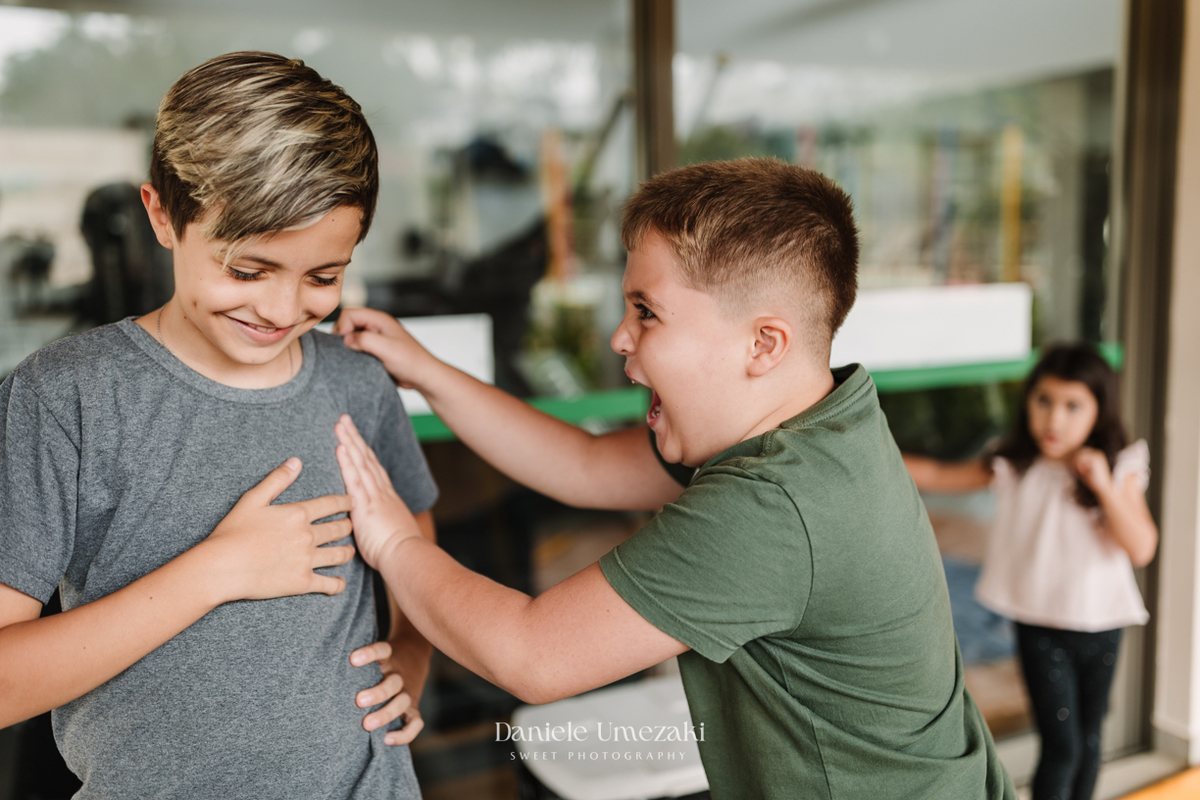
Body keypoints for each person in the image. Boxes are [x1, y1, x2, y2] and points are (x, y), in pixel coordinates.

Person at [331, 158, 1016, 799]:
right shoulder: (817, 421)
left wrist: (395, 545)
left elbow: (530, 655)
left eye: (647, 311)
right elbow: (583, 465)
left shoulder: (773, 506)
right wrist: (424, 370)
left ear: (763, 344)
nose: (620, 338)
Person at [0, 52, 438, 799]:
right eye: (248, 270)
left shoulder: (356, 385)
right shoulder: (63, 398)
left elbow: (421, 554)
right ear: (162, 216)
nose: (281, 309)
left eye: (323, 277)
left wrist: (412, 654)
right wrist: (218, 571)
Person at [903, 343, 1157, 800]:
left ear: (1100, 411)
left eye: (1072, 406)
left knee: (1089, 737)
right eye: (1044, 401)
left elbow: (1141, 547)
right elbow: (940, 474)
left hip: (1101, 624)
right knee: (1061, 746)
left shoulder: (1120, 467)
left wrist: (1101, 482)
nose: (1054, 419)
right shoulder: (1014, 462)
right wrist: (876, 451)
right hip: (1038, 623)